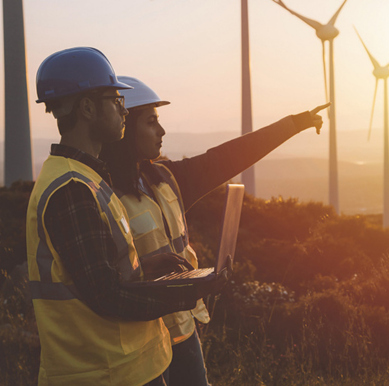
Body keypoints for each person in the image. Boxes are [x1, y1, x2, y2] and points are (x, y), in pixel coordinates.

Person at [98, 76, 329, 385]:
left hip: (184, 330)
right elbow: (105, 280)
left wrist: (292, 124)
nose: (162, 131)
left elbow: (227, 157)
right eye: (151, 122)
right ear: (125, 128)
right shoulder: (102, 195)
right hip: (141, 340)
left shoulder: (166, 179)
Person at [26, 47, 217, 386]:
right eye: (115, 100)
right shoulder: (72, 190)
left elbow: (99, 274)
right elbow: (106, 296)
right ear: (87, 108)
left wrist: (147, 269)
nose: (123, 111)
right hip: (105, 373)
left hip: (127, 366)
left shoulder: (87, 178)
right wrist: (186, 292)